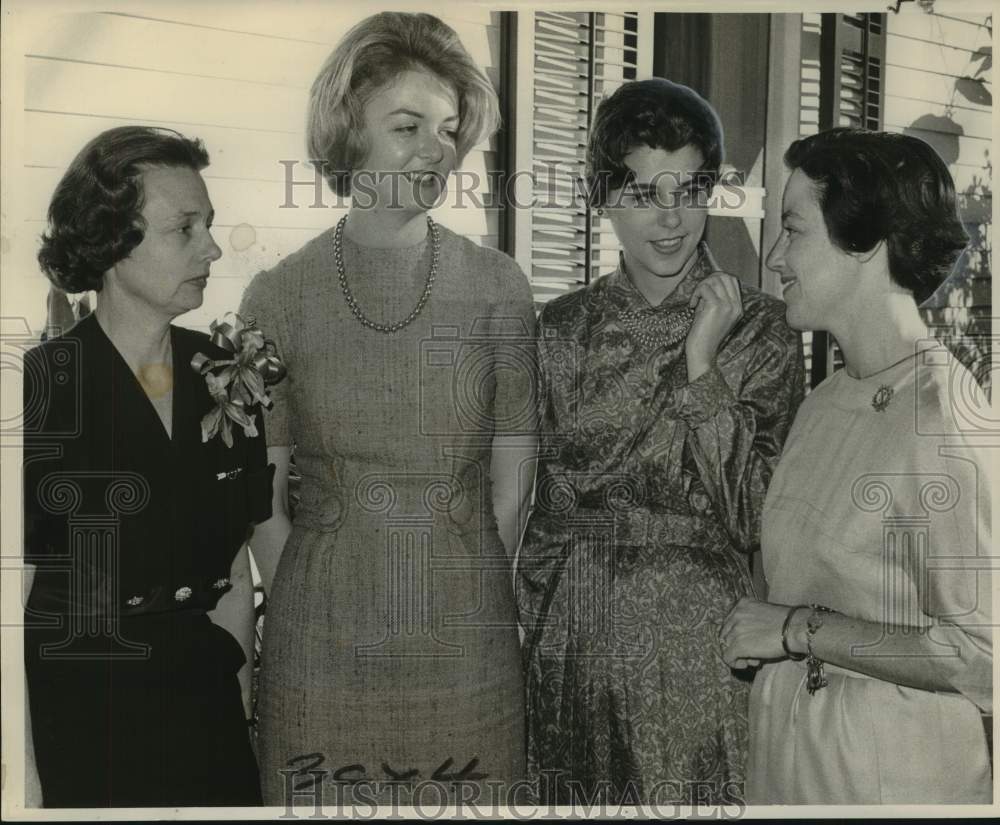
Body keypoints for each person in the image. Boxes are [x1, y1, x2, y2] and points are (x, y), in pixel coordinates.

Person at [239, 12, 536, 806]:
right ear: (348, 131)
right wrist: (315, 593)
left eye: (448, 131)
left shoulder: (499, 287)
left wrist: (460, 584)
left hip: (464, 637)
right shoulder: (278, 295)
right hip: (320, 642)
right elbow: (260, 499)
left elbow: (514, 487)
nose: (435, 150)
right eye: (407, 126)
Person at [515, 78, 804, 805]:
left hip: (704, 651)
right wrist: (536, 632)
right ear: (603, 197)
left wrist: (702, 365)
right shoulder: (557, 330)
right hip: (575, 646)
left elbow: (753, 514)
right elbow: (538, 511)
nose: (672, 220)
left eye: (691, 190)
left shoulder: (762, 329)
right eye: (645, 194)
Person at [721, 127, 992, 804]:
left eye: (793, 230)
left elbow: (985, 654)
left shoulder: (945, 415)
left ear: (865, 242)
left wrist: (794, 630)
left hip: (887, 776)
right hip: (791, 767)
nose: (775, 257)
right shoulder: (822, 400)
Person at [23, 126, 273, 806]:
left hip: (205, 696)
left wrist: (241, 701)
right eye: (184, 228)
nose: (213, 247)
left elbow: (234, 570)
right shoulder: (43, 388)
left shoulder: (228, 375)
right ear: (111, 242)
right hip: (87, 704)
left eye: (210, 225)